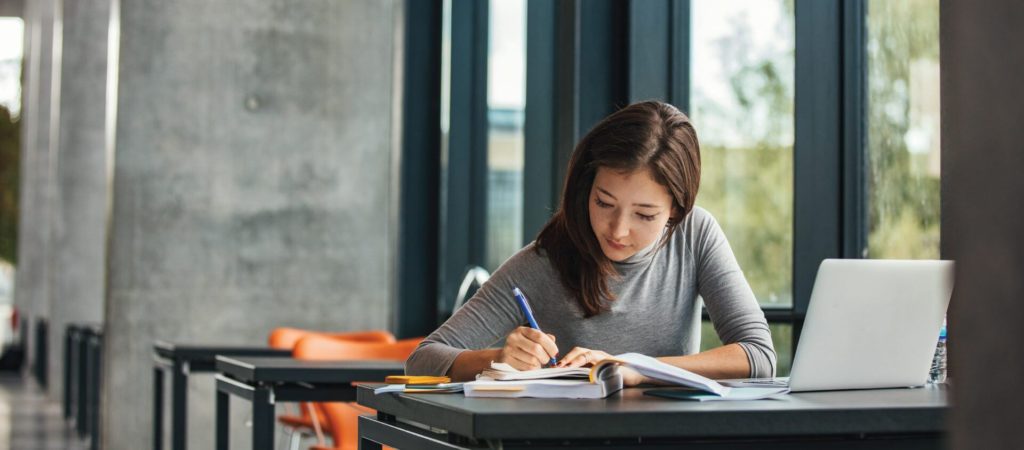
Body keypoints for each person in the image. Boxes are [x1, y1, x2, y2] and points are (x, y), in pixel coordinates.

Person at [406, 101, 776, 385]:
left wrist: (634, 367)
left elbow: (758, 355)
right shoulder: (545, 261)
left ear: (676, 211)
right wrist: (498, 358)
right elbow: (422, 359)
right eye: (603, 203)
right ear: (586, 188)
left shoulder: (695, 235)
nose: (617, 230)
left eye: (644, 215)